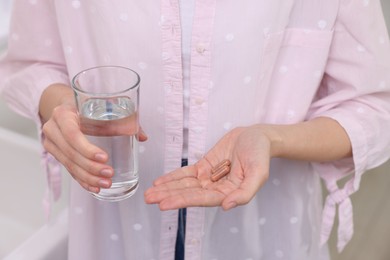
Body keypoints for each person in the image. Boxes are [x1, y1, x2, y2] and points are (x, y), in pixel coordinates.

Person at [1, 0, 390, 259]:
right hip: (115, 221)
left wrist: (272, 139)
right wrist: (61, 108)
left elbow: (374, 106)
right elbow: (31, 63)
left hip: (262, 227)